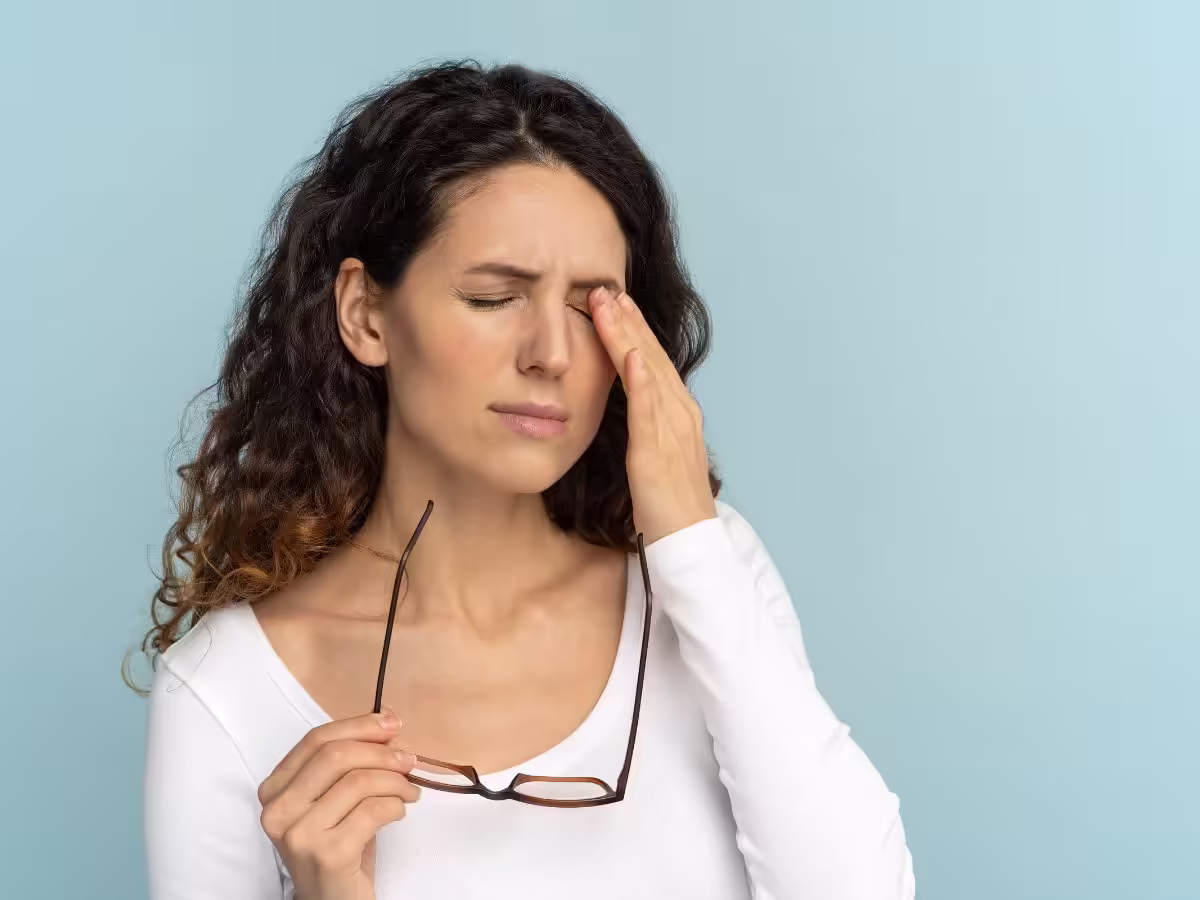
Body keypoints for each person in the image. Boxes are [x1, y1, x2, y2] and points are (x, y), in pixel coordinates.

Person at [138, 60, 916, 900]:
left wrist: (691, 540)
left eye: (590, 305)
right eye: (492, 297)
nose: (552, 353)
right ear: (365, 314)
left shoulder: (708, 573)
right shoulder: (226, 691)